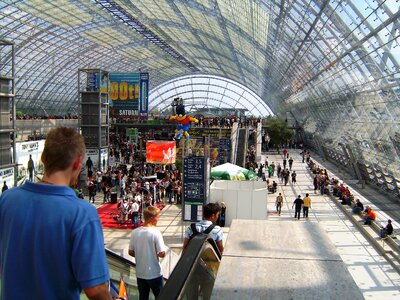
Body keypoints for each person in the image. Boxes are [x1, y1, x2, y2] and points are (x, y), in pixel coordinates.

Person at [0, 127, 111, 299]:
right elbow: (96, 289)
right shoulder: (81, 213)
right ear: (77, 163)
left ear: (43, 158)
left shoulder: (7, 200)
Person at [129, 206, 166, 300]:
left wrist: (141, 254)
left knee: (143, 297)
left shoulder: (135, 232)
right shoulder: (156, 233)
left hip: (140, 273)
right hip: (154, 273)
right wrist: (156, 254)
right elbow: (162, 253)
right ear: (151, 218)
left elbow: (130, 252)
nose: (159, 219)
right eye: (158, 216)